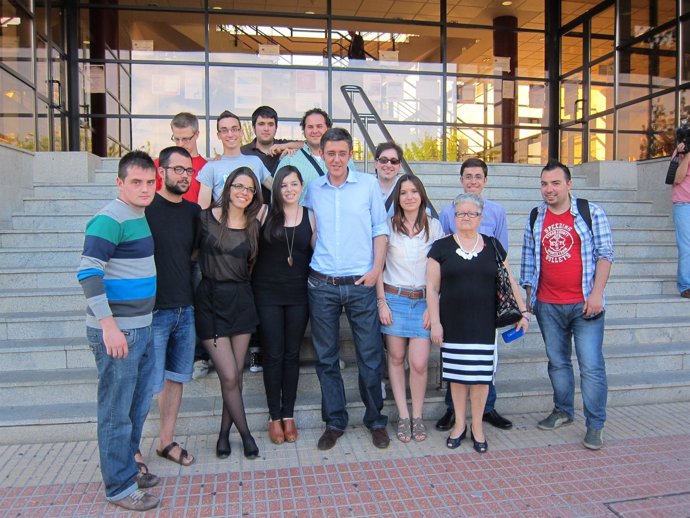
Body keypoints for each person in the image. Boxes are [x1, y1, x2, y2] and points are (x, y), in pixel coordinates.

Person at [77, 151, 160, 511]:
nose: (144, 188)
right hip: (119, 332)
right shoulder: (109, 218)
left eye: (149, 182)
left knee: (135, 406)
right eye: (136, 182)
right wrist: (108, 326)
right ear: (120, 183)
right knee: (115, 410)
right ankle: (118, 487)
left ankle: (128, 469)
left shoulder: (138, 215)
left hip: (141, 327)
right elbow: (88, 272)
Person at [303, 127, 390, 450]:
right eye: (330, 153)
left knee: (369, 355)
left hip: (360, 283)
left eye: (342, 153)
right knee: (326, 358)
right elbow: (310, 231)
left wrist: (376, 269)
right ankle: (335, 422)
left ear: (350, 155)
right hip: (322, 284)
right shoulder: (314, 189)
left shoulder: (367, 185)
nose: (336, 159)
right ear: (322, 155)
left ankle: (376, 421)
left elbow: (380, 230)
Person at [520, 159, 614, 450]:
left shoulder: (590, 212)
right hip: (548, 305)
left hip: (584, 304)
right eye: (545, 183)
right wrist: (528, 298)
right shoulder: (536, 215)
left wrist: (597, 294)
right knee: (558, 363)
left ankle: (595, 425)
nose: (549, 189)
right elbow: (528, 260)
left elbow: (605, 254)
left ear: (569, 184)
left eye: (555, 183)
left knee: (591, 366)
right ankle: (563, 410)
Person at [427, 193, 528, 454]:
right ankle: (459, 424)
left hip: (484, 324)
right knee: (458, 378)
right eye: (461, 213)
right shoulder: (441, 247)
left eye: (472, 214)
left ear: (481, 218)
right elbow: (431, 288)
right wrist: (435, 322)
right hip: (453, 323)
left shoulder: (493, 246)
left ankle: (477, 428)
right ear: (453, 216)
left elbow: (510, 281)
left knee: (481, 379)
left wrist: (524, 312)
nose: (466, 218)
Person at [435, 158, 512, 432]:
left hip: (485, 297)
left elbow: (502, 257)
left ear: (486, 180)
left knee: (485, 359)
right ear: (461, 179)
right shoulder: (448, 212)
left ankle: (487, 409)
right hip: (456, 297)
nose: (473, 181)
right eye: (468, 176)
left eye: (478, 176)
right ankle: (452, 411)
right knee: (453, 356)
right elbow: (444, 254)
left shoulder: (498, 212)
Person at [195, 167, 266, 460]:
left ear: (254, 195)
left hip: (241, 301)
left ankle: (223, 435)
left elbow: (251, 266)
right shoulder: (203, 218)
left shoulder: (253, 227)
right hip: (211, 301)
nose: (243, 192)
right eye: (239, 186)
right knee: (227, 374)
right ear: (228, 186)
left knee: (235, 374)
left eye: (249, 189)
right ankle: (246, 435)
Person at [376, 174, 444, 443]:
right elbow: (378, 267)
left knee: (418, 363)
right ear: (397, 198)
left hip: (424, 302)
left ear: (422, 195)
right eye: (403, 192)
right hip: (395, 299)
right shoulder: (387, 227)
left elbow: (441, 270)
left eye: (414, 191)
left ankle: (418, 416)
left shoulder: (435, 227)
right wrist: (381, 302)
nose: (409, 196)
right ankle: (403, 417)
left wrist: (434, 306)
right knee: (395, 358)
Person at [144, 146, 200, 468]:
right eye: (178, 169)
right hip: (152, 311)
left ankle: (166, 441)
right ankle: (133, 450)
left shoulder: (193, 212)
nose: (184, 176)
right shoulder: (146, 208)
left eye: (188, 171)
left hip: (185, 309)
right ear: (161, 171)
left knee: (175, 379)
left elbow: (192, 256)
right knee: (145, 382)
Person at [252, 166, 315, 445]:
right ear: (276, 188)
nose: (289, 189)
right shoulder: (264, 213)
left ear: (302, 186)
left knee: (292, 355)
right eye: (283, 185)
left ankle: (288, 413)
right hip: (266, 294)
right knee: (273, 354)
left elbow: (320, 253)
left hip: (299, 295)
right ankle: (273, 416)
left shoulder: (311, 216)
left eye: (294, 184)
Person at [197, 110, 273, 210]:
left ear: (241, 132)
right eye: (224, 130)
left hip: (254, 223)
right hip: (223, 224)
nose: (230, 134)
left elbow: (278, 188)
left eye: (234, 129)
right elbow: (203, 210)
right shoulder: (211, 167)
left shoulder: (255, 162)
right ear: (218, 135)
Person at [275, 108, 355, 194]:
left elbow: (353, 191)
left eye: (319, 126)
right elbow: (276, 195)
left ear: (328, 129)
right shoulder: (290, 160)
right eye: (310, 127)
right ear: (304, 131)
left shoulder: (345, 161)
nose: (315, 131)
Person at [154, 112, 206, 204]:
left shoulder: (207, 167)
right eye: (177, 139)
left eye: (186, 139)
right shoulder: (160, 163)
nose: (180, 144)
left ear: (197, 134)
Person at [670, 144, 690, 298]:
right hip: (684, 205)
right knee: (686, 246)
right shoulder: (680, 154)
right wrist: (688, 155)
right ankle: (686, 286)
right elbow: (677, 178)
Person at [374, 141, 404, 216]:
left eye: (394, 161)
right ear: (375, 163)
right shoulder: (365, 188)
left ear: (399, 165)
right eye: (383, 160)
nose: (388, 165)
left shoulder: (407, 188)